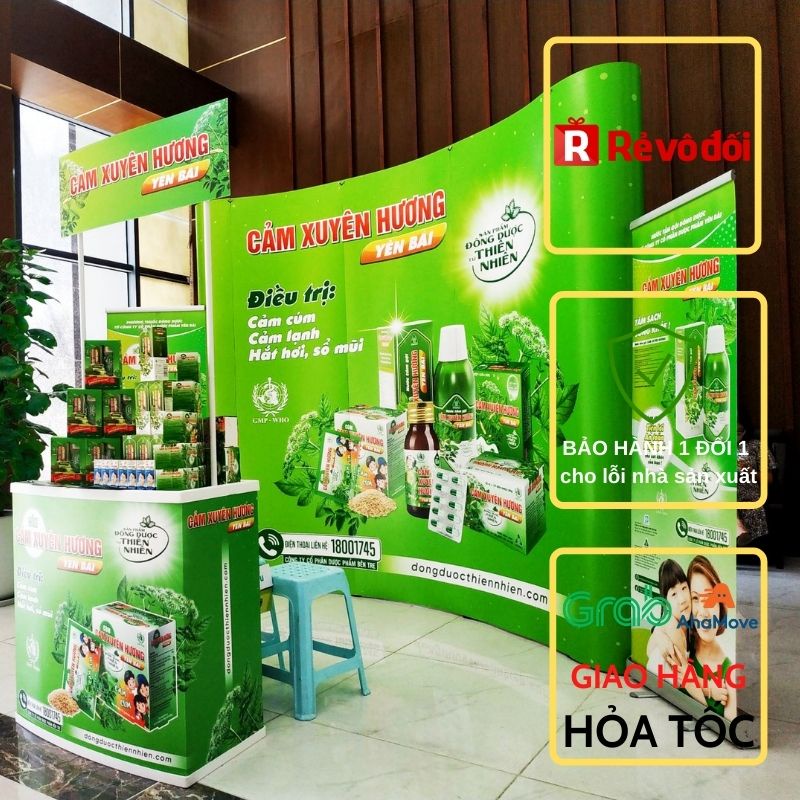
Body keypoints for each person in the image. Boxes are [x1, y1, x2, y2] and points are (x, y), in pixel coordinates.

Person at [685, 555, 737, 720]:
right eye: (695, 598)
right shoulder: (682, 646)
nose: (703, 612)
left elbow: (730, 726)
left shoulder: (730, 673)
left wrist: (694, 685)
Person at [646, 559, 691, 673]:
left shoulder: (695, 624)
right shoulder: (670, 623)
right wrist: (659, 633)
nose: (682, 600)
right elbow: (683, 671)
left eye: (684, 588)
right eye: (674, 594)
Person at [736, 423, 775, 545]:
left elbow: (769, 479)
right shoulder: (716, 446)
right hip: (723, 493)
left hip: (748, 494)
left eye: (739, 430)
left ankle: (742, 534)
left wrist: (750, 471)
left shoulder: (756, 446)